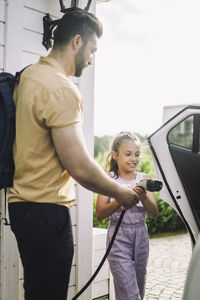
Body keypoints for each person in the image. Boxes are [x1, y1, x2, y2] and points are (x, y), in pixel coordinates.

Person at [7, 8, 139, 300]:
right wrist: (121, 192)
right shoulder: (61, 89)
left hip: (22, 207)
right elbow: (78, 165)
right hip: (46, 209)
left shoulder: (29, 76)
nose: (91, 59)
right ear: (77, 42)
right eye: (92, 49)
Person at [96, 131, 158, 300]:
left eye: (137, 154)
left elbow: (154, 213)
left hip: (141, 236)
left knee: (138, 287)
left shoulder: (144, 179)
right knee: (129, 293)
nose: (134, 159)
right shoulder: (108, 179)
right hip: (118, 237)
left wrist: (143, 196)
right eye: (128, 154)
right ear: (115, 155)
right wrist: (120, 199)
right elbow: (100, 213)